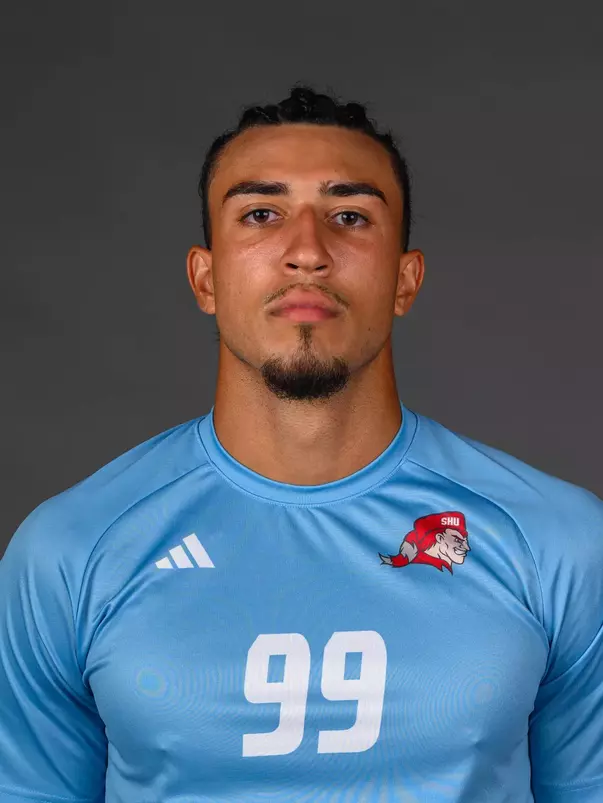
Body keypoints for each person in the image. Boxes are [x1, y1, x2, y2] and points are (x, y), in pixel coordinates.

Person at [1, 85, 602, 803]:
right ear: (205, 277)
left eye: (349, 216)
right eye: (262, 214)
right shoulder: (71, 550)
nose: (307, 252)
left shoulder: (558, 543)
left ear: (405, 279)